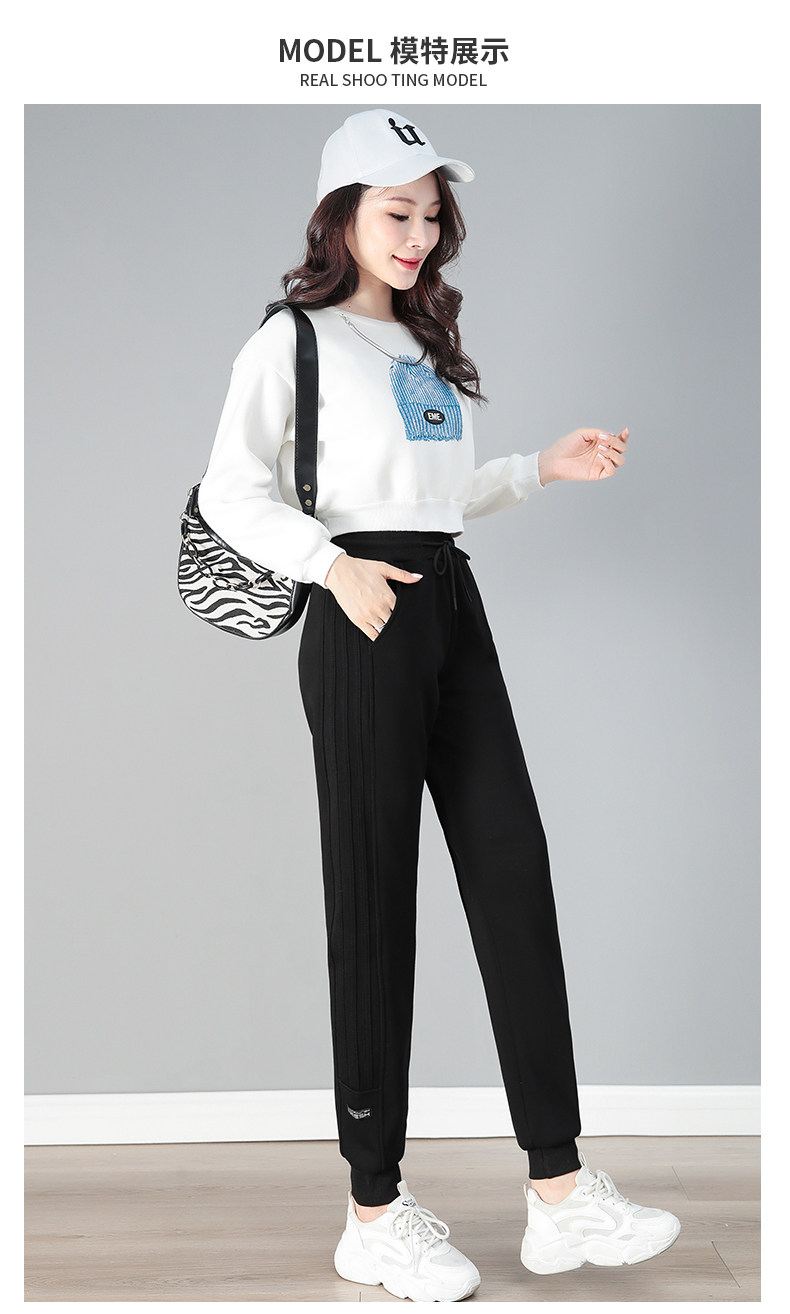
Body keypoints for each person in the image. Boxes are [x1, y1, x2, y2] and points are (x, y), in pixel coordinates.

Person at [197, 108, 681, 1303]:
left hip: (451, 608)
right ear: (341, 216)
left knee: (513, 872)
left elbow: (436, 497)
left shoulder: (421, 343)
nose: (416, 235)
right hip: (361, 619)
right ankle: (372, 1207)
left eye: (429, 215)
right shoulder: (292, 342)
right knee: (375, 906)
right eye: (394, 211)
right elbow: (229, 492)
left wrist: (540, 468)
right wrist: (330, 567)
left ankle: (559, 1191)